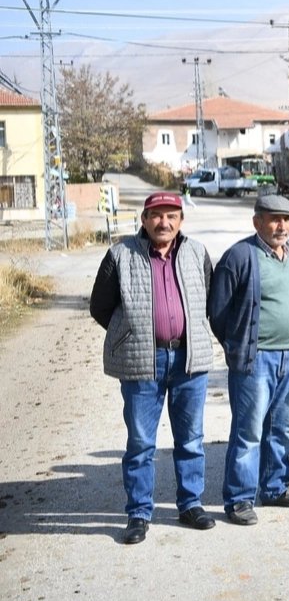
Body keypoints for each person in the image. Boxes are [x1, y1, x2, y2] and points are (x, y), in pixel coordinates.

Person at [90, 191, 216, 544]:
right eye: (156, 216)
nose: (164, 222)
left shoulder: (196, 253)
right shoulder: (120, 254)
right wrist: (132, 333)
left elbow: (206, 297)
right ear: (144, 220)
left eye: (171, 216)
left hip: (189, 361)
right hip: (142, 362)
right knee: (141, 442)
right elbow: (101, 307)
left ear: (181, 220)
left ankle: (190, 504)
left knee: (190, 439)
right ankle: (139, 513)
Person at [210, 195, 289, 525]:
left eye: (286, 219)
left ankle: (275, 487)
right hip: (256, 361)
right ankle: (239, 498)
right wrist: (237, 345)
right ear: (257, 222)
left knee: (283, 429)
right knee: (249, 431)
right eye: (273, 219)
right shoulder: (240, 256)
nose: (281, 226)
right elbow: (218, 312)